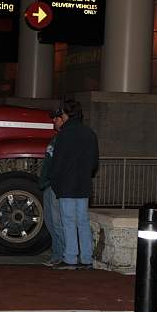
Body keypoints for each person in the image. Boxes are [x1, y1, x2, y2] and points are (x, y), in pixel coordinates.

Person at [49, 100, 99, 270]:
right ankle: (86, 257)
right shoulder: (89, 133)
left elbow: (57, 163)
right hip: (83, 183)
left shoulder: (64, 134)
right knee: (83, 221)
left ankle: (70, 257)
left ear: (66, 114)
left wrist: (55, 182)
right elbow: (94, 162)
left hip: (67, 185)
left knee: (68, 221)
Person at [38, 108, 65, 267]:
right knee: (50, 221)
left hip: (54, 184)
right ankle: (57, 254)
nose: (53, 120)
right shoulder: (56, 138)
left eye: (56, 118)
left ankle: (61, 255)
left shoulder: (63, 139)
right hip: (49, 184)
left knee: (57, 221)